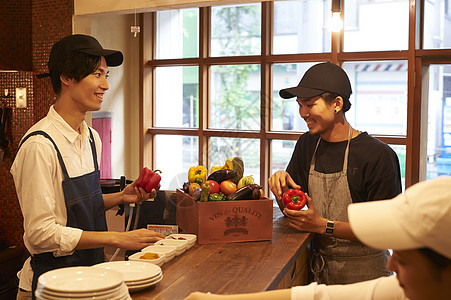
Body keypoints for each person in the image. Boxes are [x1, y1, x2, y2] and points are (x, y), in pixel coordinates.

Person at [10, 34, 165, 300]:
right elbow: (40, 234)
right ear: (67, 77)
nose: (105, 85)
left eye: (106, 75)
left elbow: (76, 208)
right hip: (51, 285)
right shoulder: (39, 146)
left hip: (93, 278)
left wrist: (120, 197)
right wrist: (115, 239)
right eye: (96, 74)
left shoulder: (92, 137)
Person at [185, 176, 451, 300]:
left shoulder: (378, 156)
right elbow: (319, 297)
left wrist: (325, 225)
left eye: (402, 260)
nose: (391, 267)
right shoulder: (406, 292)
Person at [268, 62, 402, 284]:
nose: (303, 113)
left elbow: (386, 231)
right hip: (317, 273)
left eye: (310, 105)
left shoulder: (378, 155)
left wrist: (323, 226)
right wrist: (280, 189)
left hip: (368, 278)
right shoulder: (307, 145)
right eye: (299, 105)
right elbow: (295, 213)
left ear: (337, 104)